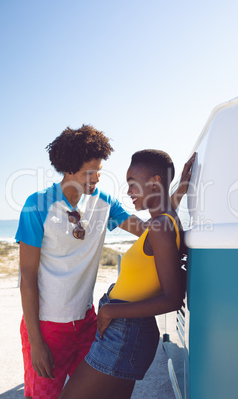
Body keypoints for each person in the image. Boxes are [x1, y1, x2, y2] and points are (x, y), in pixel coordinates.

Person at [15, 124, 195, 399]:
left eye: (99, 170)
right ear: (69, 169)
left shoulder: (104, 203)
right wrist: (36, 342)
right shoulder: (37, 205)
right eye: (90, 172)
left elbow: (151, 229)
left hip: (88, 321)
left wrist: (178, 190)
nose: (97, 178)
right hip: (48, 326)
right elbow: (27, 276)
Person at [59, 149, 187, 399]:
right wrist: (180, 188)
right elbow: (165, 210)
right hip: (126, 330)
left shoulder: (161, 226)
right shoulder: (163, 221)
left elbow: (173, 298)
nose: (128, 192)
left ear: (155, 182)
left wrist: (110, 311)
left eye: (132, 184)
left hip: (125, 329)